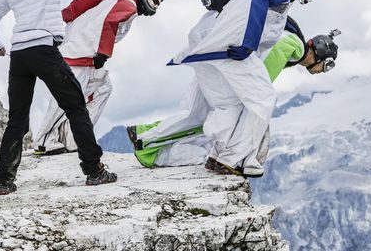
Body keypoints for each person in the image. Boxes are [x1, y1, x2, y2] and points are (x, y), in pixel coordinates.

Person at [0, 0, 140, 195]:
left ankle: (4, 181)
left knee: (17, 119)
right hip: (43, 49)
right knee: (77, 107)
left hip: (20, 55)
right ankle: (94, 171)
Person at [166, 0, 329, 178]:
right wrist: (248, 44)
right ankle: (231, 158)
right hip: (231, 49)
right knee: (263, 98)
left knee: (229, 103)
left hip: (211, 46)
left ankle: (218, 157)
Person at [128, 16, 339, 171]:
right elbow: (261, 82)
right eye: (327, 65)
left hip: (211, 57)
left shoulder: (290, 38)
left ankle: (144, 132)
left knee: (197, 114)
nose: (323, 71)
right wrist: (254, 92)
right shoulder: (295, 46)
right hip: (225, 68)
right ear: (320, 53)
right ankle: (148, 141)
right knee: (219, 118)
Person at [34, 0, 169, 156]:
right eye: (154, 0)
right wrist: (103, 53)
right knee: (69, 97)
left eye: (158, 4)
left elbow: (86, 3)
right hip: (78, 54)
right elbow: (109, 22)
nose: (155, 6)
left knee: (103, 88)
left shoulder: (119, 1)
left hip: (84, 56)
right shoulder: (128, 5)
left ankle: (73, 137)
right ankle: (43, 141)